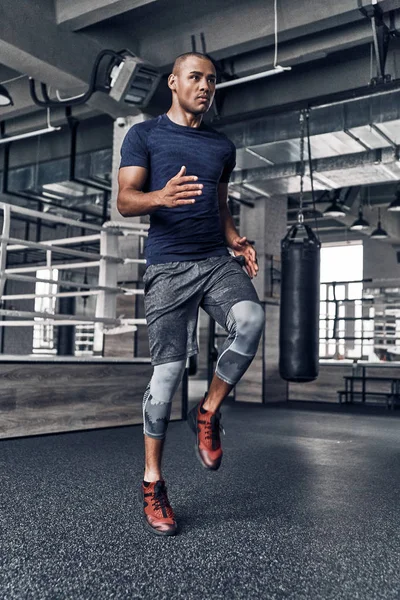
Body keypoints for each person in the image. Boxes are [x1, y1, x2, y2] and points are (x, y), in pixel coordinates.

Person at [117, 52, 265, 536]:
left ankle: (208, 411)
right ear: (173, 82)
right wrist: (159, 197)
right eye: (196, 77)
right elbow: (124, 201)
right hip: (168, 267)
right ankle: (153, 482)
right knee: (165, 379)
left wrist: (236, 239)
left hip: (213, 260)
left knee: (250, 320)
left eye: (212, 80)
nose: (205, 86)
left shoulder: (222, 146)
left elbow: (219, 207)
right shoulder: (144, 135)